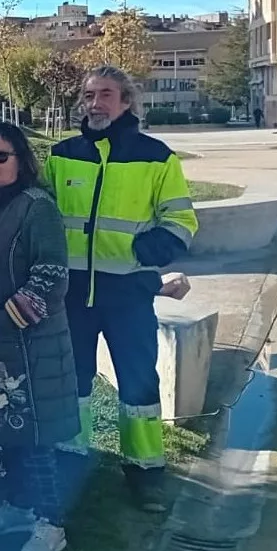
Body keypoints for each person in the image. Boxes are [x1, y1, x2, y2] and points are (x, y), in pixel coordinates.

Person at [46, 66, 198, 512]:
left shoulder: (157, 157)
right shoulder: (62, 155)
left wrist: (146, 251)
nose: (96, 103)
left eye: (106, 95)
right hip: (72, 294)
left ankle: (145, 469)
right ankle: (72, 456)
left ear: (126, 101)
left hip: (128, 293)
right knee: (73, 380)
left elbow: (181, 220)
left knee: (137, 380)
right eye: (90, 94)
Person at [0, 124, 80, 551]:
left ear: (21, 161)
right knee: (10, 433)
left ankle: (51, 522)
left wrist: (6, 319)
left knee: (36, 438)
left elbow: (51, 276)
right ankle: (20, 508)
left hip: (30, 344)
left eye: (0, 157)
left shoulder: (37, 207)